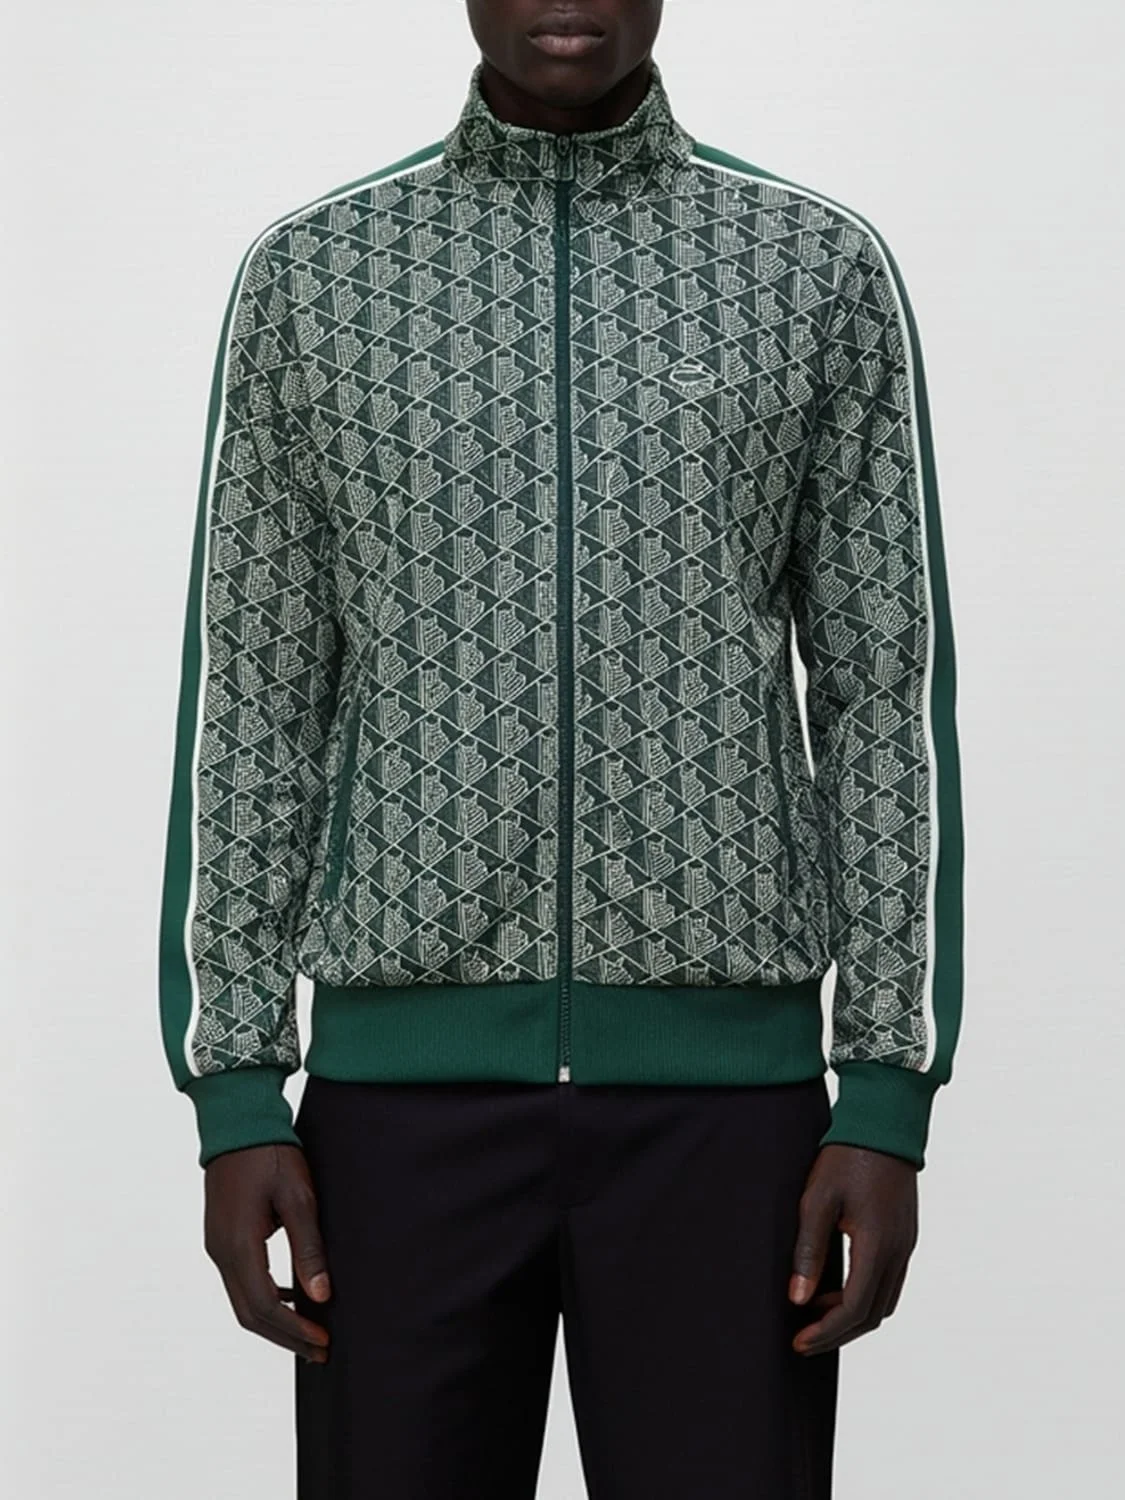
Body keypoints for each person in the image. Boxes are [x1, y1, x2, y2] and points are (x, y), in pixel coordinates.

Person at [157, 2, 964, 1495]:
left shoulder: (811, 266)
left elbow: (882, 696)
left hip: (730, 1126)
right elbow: (258, 695)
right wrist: (238, 1087)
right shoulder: (318, 275)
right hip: (398, 1126)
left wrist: (885, 1087)